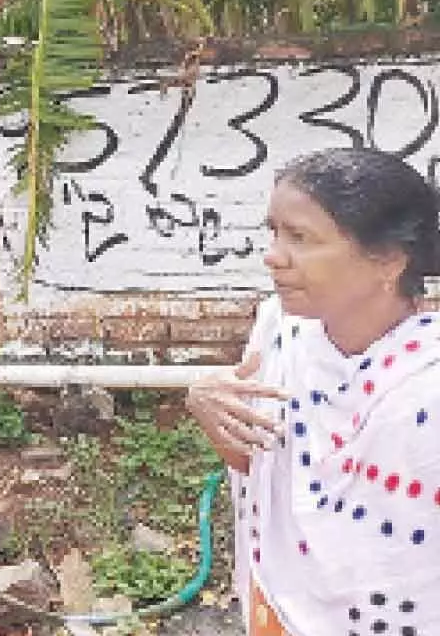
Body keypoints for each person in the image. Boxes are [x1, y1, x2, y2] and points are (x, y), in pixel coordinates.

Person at [186, 147, 440, 635]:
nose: (273, 256)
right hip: (283, 607)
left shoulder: (427, 384)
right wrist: (210, 408)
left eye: (300, 238)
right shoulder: (281, 331)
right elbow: (260, 464)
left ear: (387, 260)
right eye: (274, 232)